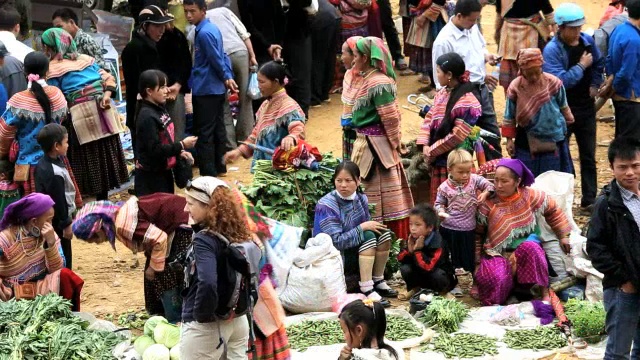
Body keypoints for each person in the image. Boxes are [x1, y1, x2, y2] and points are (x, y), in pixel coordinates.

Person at [72, 193, 191, 322]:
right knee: (152, 271)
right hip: (171, 225)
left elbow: (159, 238)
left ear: (99, 229)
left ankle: (177, 318)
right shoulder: (119, 214)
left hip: (182, 227)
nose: (97, 243)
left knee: (165, 272)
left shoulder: (123, 224)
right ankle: (161, 313)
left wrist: (153, 267)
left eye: (94, 240)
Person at [42, 28, 129, 201]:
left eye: (45, 47)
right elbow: (109, 79)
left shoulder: (52, 69)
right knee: (103, 158)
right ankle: (103, 201)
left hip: (79, 120)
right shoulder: (86, 60)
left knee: (86, 164)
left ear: (50, 48)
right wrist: (106, 95)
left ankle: (89, 206)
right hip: (104, 114)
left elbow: (56, 97)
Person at [475, 158, 572, 305]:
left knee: (532, 248)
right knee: (497, 279)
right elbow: (478, 234)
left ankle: (543, 290)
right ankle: (504, 293)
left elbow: (553, 210)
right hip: (496, 253)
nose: (498, 185)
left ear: (517, 181)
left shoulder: (530, 196)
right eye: (496, 180)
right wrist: (476, 262)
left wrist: (563, 235)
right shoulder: (488, 203)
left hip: (525, 253)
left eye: (504, 181)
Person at [347, 36, 414, 240]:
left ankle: (381, 241)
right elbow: (391, 118)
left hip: (374, 148)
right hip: (371, 146)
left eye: (356, 55)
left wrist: (395, 141)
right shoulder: (373, 79)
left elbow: (390, 117)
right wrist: (395, 142)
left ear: (366, 57)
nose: (352, 59)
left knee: (372, 193)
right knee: (383, 193)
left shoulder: (376, 82)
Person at [180, 176, 253, 359]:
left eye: (190, 203)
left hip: (209, 328)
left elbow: (208, 282)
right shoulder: (236, 230)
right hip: (238, 320)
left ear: (208, 207)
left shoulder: (204, 239)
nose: (185, 208)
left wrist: (201, 317)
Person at [543, 3, 605, 212]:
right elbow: (559, 82)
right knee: (562, 155)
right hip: (561, 110)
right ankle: (564, 200)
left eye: (579, 27)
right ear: (561, 27)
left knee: (588, 154)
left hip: (585, 108)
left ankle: (589, 199)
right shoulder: (552, 50)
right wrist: (581, 67)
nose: (577, 32)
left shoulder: (587, 42)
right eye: (572, 28)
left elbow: (598, 62)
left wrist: (595, 84)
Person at [0, 51, 81, 206]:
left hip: (27, 165)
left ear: (25, 72)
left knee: (33, 211)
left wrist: (4, 154)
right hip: (56, 159)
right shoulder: (57, 95)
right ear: (48, 71)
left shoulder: (18, 101)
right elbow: (61, 123)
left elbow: (4, 133)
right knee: (60, 204)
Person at [314, 161, 397, 304]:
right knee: (369, 236)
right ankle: (366, 288)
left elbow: (367, 226)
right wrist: (362, 228)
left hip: (354, 248)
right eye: (339, 181)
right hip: (335, 254)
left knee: (383, 234)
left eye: (348, 180)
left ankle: (378, 280)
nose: (343, 185)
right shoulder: (326, 205)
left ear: (358, 181)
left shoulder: (360, 199)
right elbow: (336, 242)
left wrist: (365, 227)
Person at [587, 137, 640, 360]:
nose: (630, 172)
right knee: (618, 352)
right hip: (624, 289)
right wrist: (624, 280)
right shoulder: (607, 204)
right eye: (623, 167)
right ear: (612, 168)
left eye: (635, 166)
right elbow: (596, 248)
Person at [431, 0, 503, 157]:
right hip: (460, 97)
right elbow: (440, 78)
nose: (474, 23)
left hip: (482, 89)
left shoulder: (471, 27)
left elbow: (480, 48)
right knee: (464, 142)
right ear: (459, 16)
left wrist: (487, 57)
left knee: (492, 136)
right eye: (471, 19)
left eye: (476, 19)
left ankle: (493, 174)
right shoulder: (443, 41)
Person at [417, 52, 482, 203]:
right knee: (440, 205)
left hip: (455, 162)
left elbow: (456, 136)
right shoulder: (441, 93)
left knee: (458, 205)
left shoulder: (468, 102)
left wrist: (431, 151)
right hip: (438, 158)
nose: (436, 74)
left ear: (449, 75)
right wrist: (425, 144)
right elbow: (429, 118)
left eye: (438, 71)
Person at [0, 193, 83, 310]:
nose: (51, 224)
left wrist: (51, 244)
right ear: (34, 221)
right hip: (12, 292)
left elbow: (57, 270)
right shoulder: (7, 237)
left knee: (66, 276)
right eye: (48, 220)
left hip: (40, 288)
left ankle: (68, 316)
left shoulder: (49, 235)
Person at [184, 0, 238, 177]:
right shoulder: (211, 29)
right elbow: (223, 55)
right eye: (186, 11)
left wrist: (225, 76)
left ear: (203, 10)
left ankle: (208, 171)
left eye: (192, 11)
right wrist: (227, 76)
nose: (189, 15)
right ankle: (220, 166)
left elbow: (216, 58)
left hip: (206, 88)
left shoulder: (204, 33)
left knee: (205, 132)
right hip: (215, 88)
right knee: (218, 128)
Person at [503, 48, 575, 177]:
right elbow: (509, 115)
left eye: (537, 72)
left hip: (554, 139)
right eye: (529, 73)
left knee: (551, 178)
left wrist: (567, 124)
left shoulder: (554, 83)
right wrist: (509, 140)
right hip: (526, 140)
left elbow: (564, 107)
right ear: (522, 70)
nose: (534, 77)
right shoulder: (515, 87)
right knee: (528, 180)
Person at [192, 6, 257, 148]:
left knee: (223, 101)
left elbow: (196, 55)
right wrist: (252, 56)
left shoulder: (195, 27)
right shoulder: (224, 11)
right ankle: (246, 139)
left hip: (219, 58)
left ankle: (230, 143)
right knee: (245, 98)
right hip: (239, 52)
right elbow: (244, 34)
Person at [224, 61, 305, 169]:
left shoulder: (289, 106)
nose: (259, 86)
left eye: (262, 82)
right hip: (264, 169)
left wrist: (291, 137)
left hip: (281, 169)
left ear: (275, 82)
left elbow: (298, 129)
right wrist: (239, 151)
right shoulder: (265, 105)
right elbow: (256, 133)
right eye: (258, 82)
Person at [135, 69, 196, 196]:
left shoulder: (159, 108)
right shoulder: (147, 117)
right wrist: (182, 145)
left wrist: (179, 152)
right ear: (149, 91)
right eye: (162, 87)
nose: (166, 90)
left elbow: (166, 138)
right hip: (151, 180)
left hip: (164, 172)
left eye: (166, 86)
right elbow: (155, 150)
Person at [122, 5, 174, 153]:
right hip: (142, 110)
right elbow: (135, 84)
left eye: (163, 25)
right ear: (145, 26)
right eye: (157, 26)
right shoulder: (133, 49)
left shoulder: (156, 45)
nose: (162, 30)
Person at [434, 150, 493, 274]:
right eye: (460, 172)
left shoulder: (474, 180)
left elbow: (490, 186)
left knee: (467, 257)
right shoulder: (444, 188)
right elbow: (438, 204)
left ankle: (469, 281)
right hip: (449, 228)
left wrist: (485, 193)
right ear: (450, 169)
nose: (465, 175)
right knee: (452, 257)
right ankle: (454, 282)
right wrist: (441, 212)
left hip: (468, 230)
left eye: (468, 171)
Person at [35, 124, 76, 269]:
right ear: (56, 146)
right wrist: (66, 224)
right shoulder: (54, 172)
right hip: (57, 222)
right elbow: (59, 201)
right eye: (66, 142)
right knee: (63, 257)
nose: (68, 145)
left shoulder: (43, 163)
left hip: (49, 222)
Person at [494, 0, 556, 91]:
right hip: (528, 33)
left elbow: (499, 14)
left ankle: (513, 100)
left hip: (509, 36)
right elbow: (548, 12)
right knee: (533, 69)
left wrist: (497, 32)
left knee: (514, 76)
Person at [600, 0, 640, 140]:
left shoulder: (619, 29)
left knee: (621, 136)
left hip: (619, 96)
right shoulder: (634, 40)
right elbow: (626, 73)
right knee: (630, 141)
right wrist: (616, 86)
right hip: (630, 96)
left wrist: (611, 82)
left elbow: (609, 58)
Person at [397, 203, 456, 297]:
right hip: (422, 274)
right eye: (411, 224)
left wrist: (417, 251)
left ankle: (443, 293)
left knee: (438, 275)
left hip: (438, 276)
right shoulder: (412, 238)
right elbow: (400, 258)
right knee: (405, 268)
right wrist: (410, 251)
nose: (412, 228)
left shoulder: (438, 243)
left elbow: (429, 267)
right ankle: (415, 288)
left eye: (417, 225)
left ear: (430, 227)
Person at [156, 3, 192, 143]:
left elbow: (186, 63)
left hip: (175, 89)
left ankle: (178, 160)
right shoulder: (148, 42)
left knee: (177, 132)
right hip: (157, 91)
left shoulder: (177, 36)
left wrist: (177, 85)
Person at [338, 299, 403, 360]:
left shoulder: (359, 357)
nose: (344, 338)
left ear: (359, 330)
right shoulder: (394, 350)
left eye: (344, 331)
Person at [404, 0, 447, 91]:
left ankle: (438, 88)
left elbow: (440, 2)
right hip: (421, 13)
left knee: (432, 53)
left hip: (431, 19)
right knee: (425, 52)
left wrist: (424, 16)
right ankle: (432, 84)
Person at [310, 0, 340, 107]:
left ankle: (315, 97)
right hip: (333, 14)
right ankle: (324, 93)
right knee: (329, 57)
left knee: (318, 57)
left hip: (321, 18)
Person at [340, 36, 362, 160]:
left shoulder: (370, 80)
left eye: (343, 54)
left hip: (364, 135)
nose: (341, 58)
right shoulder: (348, 75)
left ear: (355, 56)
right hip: (348, 129)